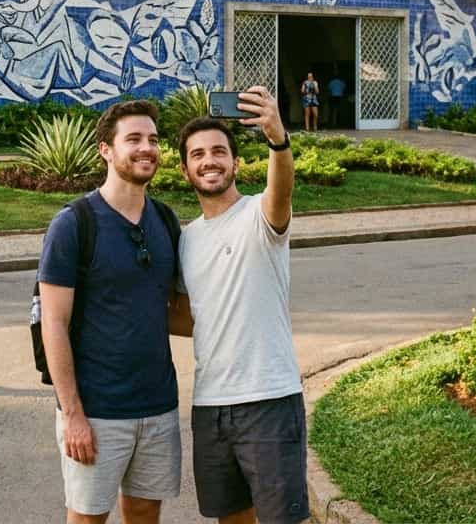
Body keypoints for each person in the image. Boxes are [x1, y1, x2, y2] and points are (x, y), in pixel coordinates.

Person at [38, 100, 182, 523]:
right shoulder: (74, 223)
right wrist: (73, 414)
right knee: (87, 518)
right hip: (96, 411)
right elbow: (54, 324)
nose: (146, 148)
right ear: (105, 149)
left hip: (158, 408)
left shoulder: (166, 221)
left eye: (153, 140)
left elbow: (172, 310)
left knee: (143, 516)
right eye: (133, 139)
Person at [173, 87, 308, 524]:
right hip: (210, 406)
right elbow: (190, 316)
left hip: (268, 399)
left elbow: (281, 188)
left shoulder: (259, 216)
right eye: (197, 154)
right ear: (185, 168)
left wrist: (277, 138)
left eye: (218, 152)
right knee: (230, 519)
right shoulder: (186, 240)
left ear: (235, 162)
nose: (208, 160)